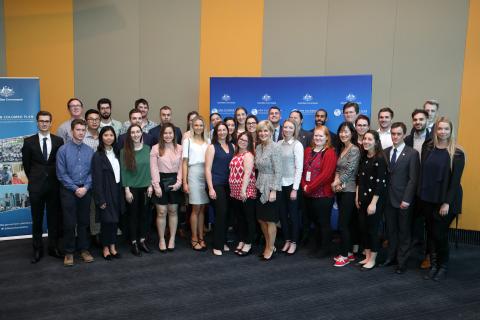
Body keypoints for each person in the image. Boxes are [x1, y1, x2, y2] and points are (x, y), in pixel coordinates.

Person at [419, 117, 465, 281]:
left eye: (446, 129)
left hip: (447, 201)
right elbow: (423, 174)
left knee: (440, 234)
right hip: (428, 199)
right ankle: (434, 265)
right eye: (440, 129)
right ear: (435, 130)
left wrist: (446, 203)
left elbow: (455, 182)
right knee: (430, 233)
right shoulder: (428, 147)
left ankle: (443, 267)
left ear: (451, 131)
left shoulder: (457, 153)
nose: (443, 132)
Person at [22, 111, 64, 263]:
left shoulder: (59, 141)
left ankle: (53, 248)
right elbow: (27, 166)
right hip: (36, 187)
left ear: (51, 123)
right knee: (37, 219)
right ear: (37, 123)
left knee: (54, 219)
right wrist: (36, 178)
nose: (44, 123)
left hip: (54, 186)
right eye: (41, 121)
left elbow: (60, 163)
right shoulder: (28, 142)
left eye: (47, 121)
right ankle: (37, 249)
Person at [381, 122, 420, 274]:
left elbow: (413, 179)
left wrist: (407, 199)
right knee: (391, 231)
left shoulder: (412, 153)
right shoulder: (385, 152)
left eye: (398, 134)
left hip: (403, 200)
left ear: (404, 135)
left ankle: (402, 262)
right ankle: (391, 258)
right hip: (388, 199)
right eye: (393, 133)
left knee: (404, 233)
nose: (395, 136)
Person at [56, 119, 95, 266]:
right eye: (78, 130)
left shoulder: (89, 151)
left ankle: (84, 250)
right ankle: (69, 252)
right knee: (69, 223)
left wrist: (85, 187)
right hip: (68, 191)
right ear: (72, 131)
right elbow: (61, 174)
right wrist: (75, 188)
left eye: (83, 130)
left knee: (84, 221)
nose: (81, 132)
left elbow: (92, 172)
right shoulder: (63, 150)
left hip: (85, 190)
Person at [301, 126, 337, 257]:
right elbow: (302, 170)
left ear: (327, 137)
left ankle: (325, 248)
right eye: (316, 135)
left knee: (323, 223)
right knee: (314, 223)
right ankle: (316, 246)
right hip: (308, 194)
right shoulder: (308, 151)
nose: (318, 138)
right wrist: (304, 185)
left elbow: (326, 175)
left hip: (323, 195)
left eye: (321, 136)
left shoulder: (330, 152)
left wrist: (309, 187)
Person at [355, 130, 388, 270]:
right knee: (363, 229)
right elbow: (359, 180)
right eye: (365, 139)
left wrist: (373, 203)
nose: (366, 141)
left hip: (374, 201)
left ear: (376, 142)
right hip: (362, 198)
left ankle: (373, 258)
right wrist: (357, 196)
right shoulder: (364, 157)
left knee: (372, 230)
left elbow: (381, 184)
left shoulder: (379, 158)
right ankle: (367, 256)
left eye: (370, 139)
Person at [120, 124, 153, 256]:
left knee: (144, 216)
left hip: (146, 188)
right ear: (129, 135)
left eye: (137, 132)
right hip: (132, 188)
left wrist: (150, 185)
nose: (135, 134)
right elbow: (124, 171)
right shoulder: (124, 151)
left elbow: (151, 168)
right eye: (132, 132)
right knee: (133, 216)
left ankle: (142, 240)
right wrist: (127, 190)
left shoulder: (147, 149)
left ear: (141, 133)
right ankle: (134, 242)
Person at [331, 122, 361, 267]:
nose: (343, 134)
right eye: (341, 131)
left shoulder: (354, 149)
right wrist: (336, 181)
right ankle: (348, 253)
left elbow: (350, 171)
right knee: (345, 224)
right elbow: (338, 169)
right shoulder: (342, 148)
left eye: (346, 131)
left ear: (352, 133)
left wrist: (336, 183)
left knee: (343, 224)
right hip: (340, 189)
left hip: (349, 190)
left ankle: (344, 256)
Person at [150, 123, 183, 252]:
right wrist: (156, 185)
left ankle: (172, 238)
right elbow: (153, 168)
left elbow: (181, 167)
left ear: (174, 134)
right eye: (165, 133)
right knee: (161, 211)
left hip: (175, 181)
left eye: (170, 133)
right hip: (160, 181)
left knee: (173, 211)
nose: (168, 135)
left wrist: (179, 182)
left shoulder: (180, 148)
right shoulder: (155, 148)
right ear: (161, 135)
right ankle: (162, 239)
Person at [91, 126, 122, 260]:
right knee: (106, 221)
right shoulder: (97, 156)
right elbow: (96, 179)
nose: (109, 137)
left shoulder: (118, 153)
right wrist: (100, 199)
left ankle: (113, 246)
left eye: (111, 135)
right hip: (105, 192)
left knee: (115, 221)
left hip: (117, 191)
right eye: (106, 135)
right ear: (101, 138)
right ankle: (105, 248)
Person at [205, 122, 234, 256]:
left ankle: (223, 241)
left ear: (228, 131)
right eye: (219, 130)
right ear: (216, 133)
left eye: (224, 129)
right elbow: (207, 169)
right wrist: (210, 188)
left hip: (230, 185)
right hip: (216, 184)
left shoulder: (232, 146)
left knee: (228, 214)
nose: (222, 132)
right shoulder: (212, 147)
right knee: (221, 213)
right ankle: (217, 245)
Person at [255, 120, 282, 260]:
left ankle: (270, 247)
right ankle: (268, 244)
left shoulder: (276, 147)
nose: (263, 133)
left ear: (271, 132)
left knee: (270, 220)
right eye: (260, 131)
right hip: (260, 185)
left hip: (272, 186)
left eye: (266, 130)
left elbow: (278, 171)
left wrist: (274, 190)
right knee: (261, 219)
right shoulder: (258, 147)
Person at [182, 116, 210, 251]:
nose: (198, 127)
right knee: (196, 208)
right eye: (196, 125)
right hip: (193, 174)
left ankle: (201, 237)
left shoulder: (208, 141)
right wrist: (184, 182)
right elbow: (184, 163)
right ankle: (193, 237)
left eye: (201, 125)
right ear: (192, 126)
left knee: (203, 208)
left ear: (204, 127)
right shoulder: (188, 141)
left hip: (206, 174)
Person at [229, 131, 257, 256]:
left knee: (248, 218)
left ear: (249, 143)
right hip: (235, 193)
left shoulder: (248, 155)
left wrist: (243, 190)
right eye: (241, 139)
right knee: (239, 219)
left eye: (245, 140)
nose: (242, 142)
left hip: (246, 191)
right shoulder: (236, 153)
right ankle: (242, 240)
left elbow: (247, 173)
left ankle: (248, 243)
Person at [278, 119, 304, 255]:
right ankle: (287, 240)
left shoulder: (297, 145)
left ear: (294, 130)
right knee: (282, 215)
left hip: (292, 186)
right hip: (280, 185)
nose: (287, 130)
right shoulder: (278, 144)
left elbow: (299, 168)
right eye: (285, 127)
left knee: (293, 216)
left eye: (290, 128)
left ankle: (294, 242)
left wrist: (295, 188)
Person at [83, 109, 102, 247]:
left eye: (97, 119)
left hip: (102, 178)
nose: (94, 121)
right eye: (91, 119)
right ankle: (84, 235)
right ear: (86, 121)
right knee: (86, 208)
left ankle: (96, 233)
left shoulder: (105, 136)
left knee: (98, 207)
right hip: (85, 179)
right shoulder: (82, 137)